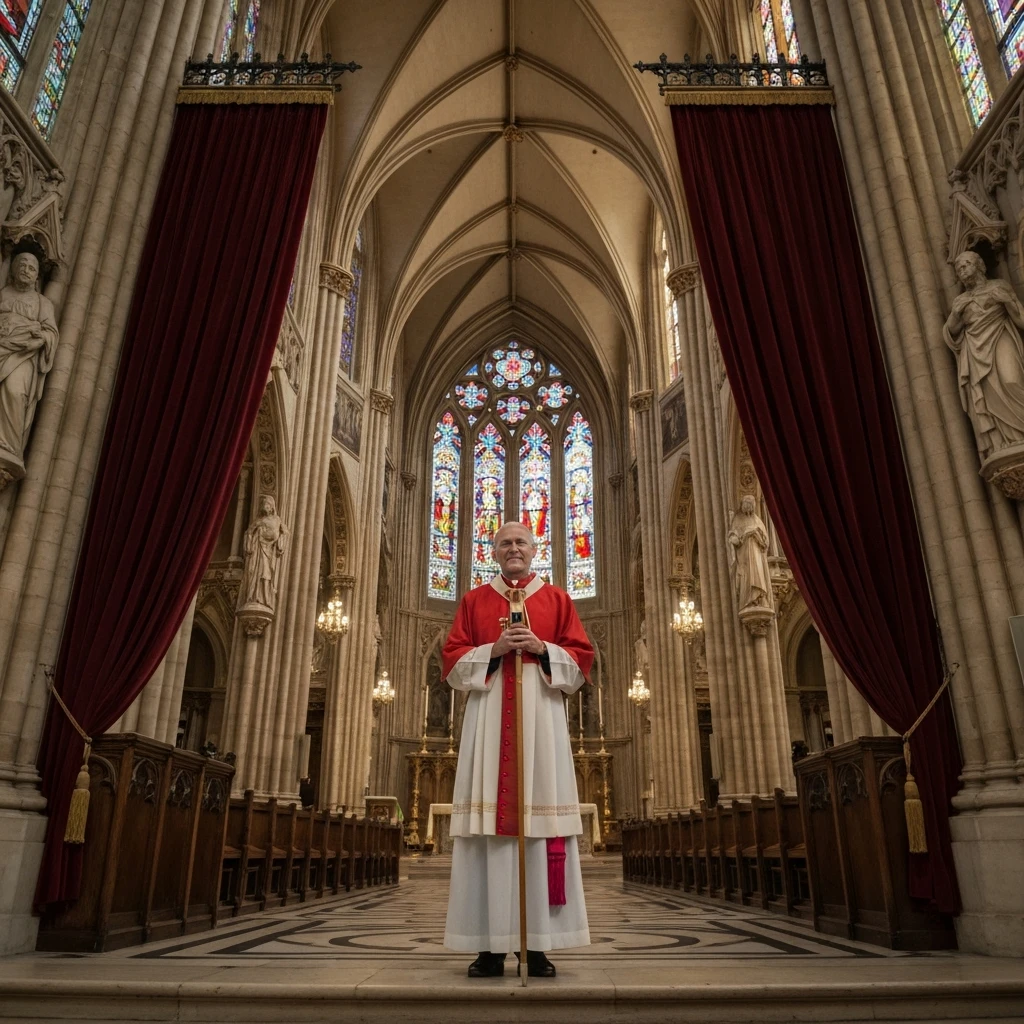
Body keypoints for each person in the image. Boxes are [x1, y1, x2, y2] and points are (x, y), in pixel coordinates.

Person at [441, 521, 594, 978]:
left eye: (520, 542)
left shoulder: (557, 599)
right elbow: (451, 659)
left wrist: (542, 647)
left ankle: (538, 946)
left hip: (541, 729)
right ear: (493, 550)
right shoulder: (473, 600)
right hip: (488, 726)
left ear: (535, 549)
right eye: (504, 543)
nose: (513, 549)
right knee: (488, 835)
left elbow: (581, 659)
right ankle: (489, 947)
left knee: (540, 830)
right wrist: (493, 648)